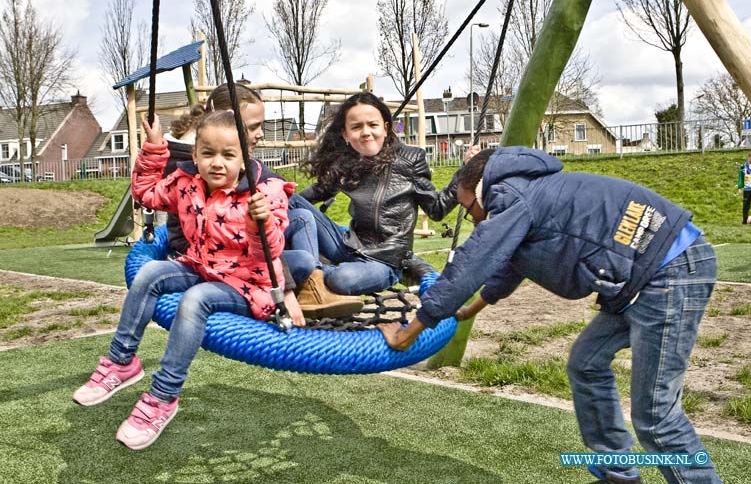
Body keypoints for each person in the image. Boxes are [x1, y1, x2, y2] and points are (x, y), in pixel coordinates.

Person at [380, 147, 721, 484]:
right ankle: (618, 472)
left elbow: (471, 264)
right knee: (586, 363)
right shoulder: (527, 191)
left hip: (667, 273)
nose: (476, 220)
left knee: (655, 417)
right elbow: (508, 265)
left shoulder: (512, 197)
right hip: (650, 274)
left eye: (470, 210)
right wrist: (471, 308)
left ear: (480, 191)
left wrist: (407, 332)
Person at [73, 111, 299, 450]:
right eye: (207, 153)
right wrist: (153, 148)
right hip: (200, 267)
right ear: (195, 155)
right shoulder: (186, 183)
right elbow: (145, 194)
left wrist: (260, 222)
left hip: (247, 284)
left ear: (244, 157)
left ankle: (163, 396)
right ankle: (122, 363)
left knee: (196, 300)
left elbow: (266, 253)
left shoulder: (265, 193)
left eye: (228, 155)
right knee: (150, 273)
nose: (217, 163)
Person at [163, 82, 362, 319]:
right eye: (254, 126)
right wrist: (284, 288)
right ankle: (345, 261)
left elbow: (264, 182)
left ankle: (318, 281)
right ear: (229, 122)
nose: (260, 133)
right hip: (221, 261)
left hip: (245, 246)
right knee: (303, 251)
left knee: (300, 214)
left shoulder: (213, 149)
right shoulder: (200, 164)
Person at [294, 92, 464, 296]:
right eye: (356, 127)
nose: (365, 132)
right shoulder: (348, 163)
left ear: (386, 127)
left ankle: (312, 276)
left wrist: (465, 173)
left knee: (342, 278)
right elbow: (316, 192)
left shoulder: (410, 159)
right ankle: (307, 273)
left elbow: (436, 209)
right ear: (345, 135)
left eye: (372, 125)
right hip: (348, 245)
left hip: (385, 260)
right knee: (290, 201)